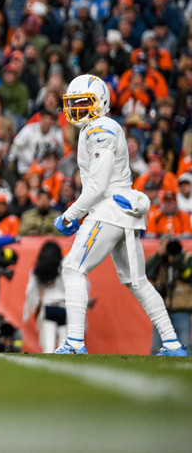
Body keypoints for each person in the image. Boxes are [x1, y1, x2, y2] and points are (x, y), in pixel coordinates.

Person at [53, 74, 186, 356]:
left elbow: (98, 185)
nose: (76, 108)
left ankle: (75, 342)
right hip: (119, 212)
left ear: (100, 101)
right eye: (72, 102)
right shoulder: (95, 127)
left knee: (73, 268)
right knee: (137, 282)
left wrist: (70, 214)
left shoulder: (99, 129)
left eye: (82, 102)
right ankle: (173, 343)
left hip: (108, 210)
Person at [145, 237, 192, 351]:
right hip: (161, 310)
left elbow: (188, 275)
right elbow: (147, 273)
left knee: (185, 345)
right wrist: (159, 256)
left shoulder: (186, 258)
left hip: (181, 309)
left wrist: (177, 259)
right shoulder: (160, 260)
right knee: (157, 348)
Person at [22, 240, 68, 353]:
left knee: (48, 347)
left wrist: (34, 307)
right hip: (64, 307)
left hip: (47, 307)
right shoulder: (64, 268)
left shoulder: (36, 271)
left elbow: (30, 292)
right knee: (65, 345)